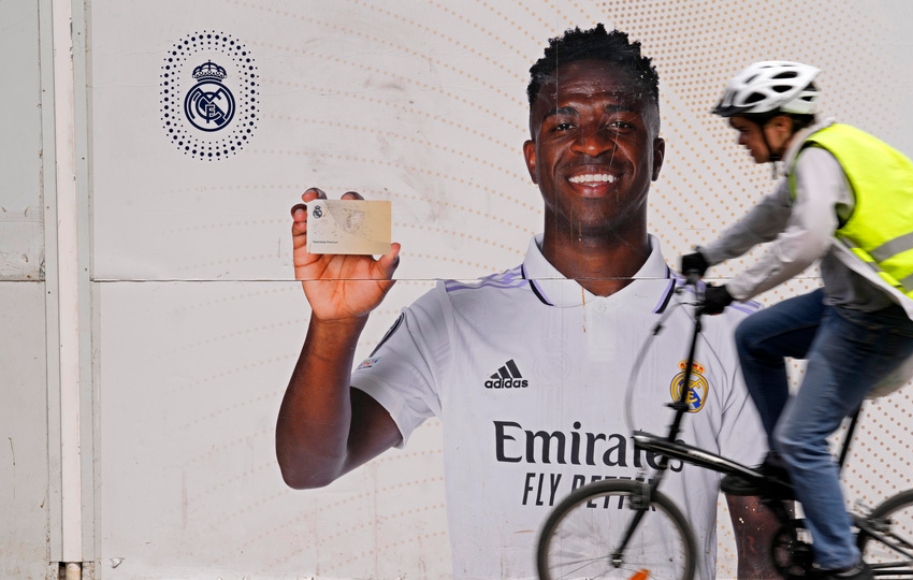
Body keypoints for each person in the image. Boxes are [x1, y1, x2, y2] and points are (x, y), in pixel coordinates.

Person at [277, 25, 780, 579]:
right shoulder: (451, 318)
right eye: (564, 124)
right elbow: (308, 466)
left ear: (656, 155)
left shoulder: (732, 334)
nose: (591, 142)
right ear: (533, 158)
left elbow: (766, 554)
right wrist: (336, 326)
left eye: (619, 122)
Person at [680, 61, 913, 579]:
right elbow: (768, 217)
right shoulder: (817, 152)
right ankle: (785, 466)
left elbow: (804, 242)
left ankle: (840, 562)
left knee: (802, 436)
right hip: (849, 304)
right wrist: (709, 255)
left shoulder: (819, 161)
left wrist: (733, 287)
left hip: (878, 320)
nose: (741, 141)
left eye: (745, 129)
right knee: (754, 337)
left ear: (780, 124)